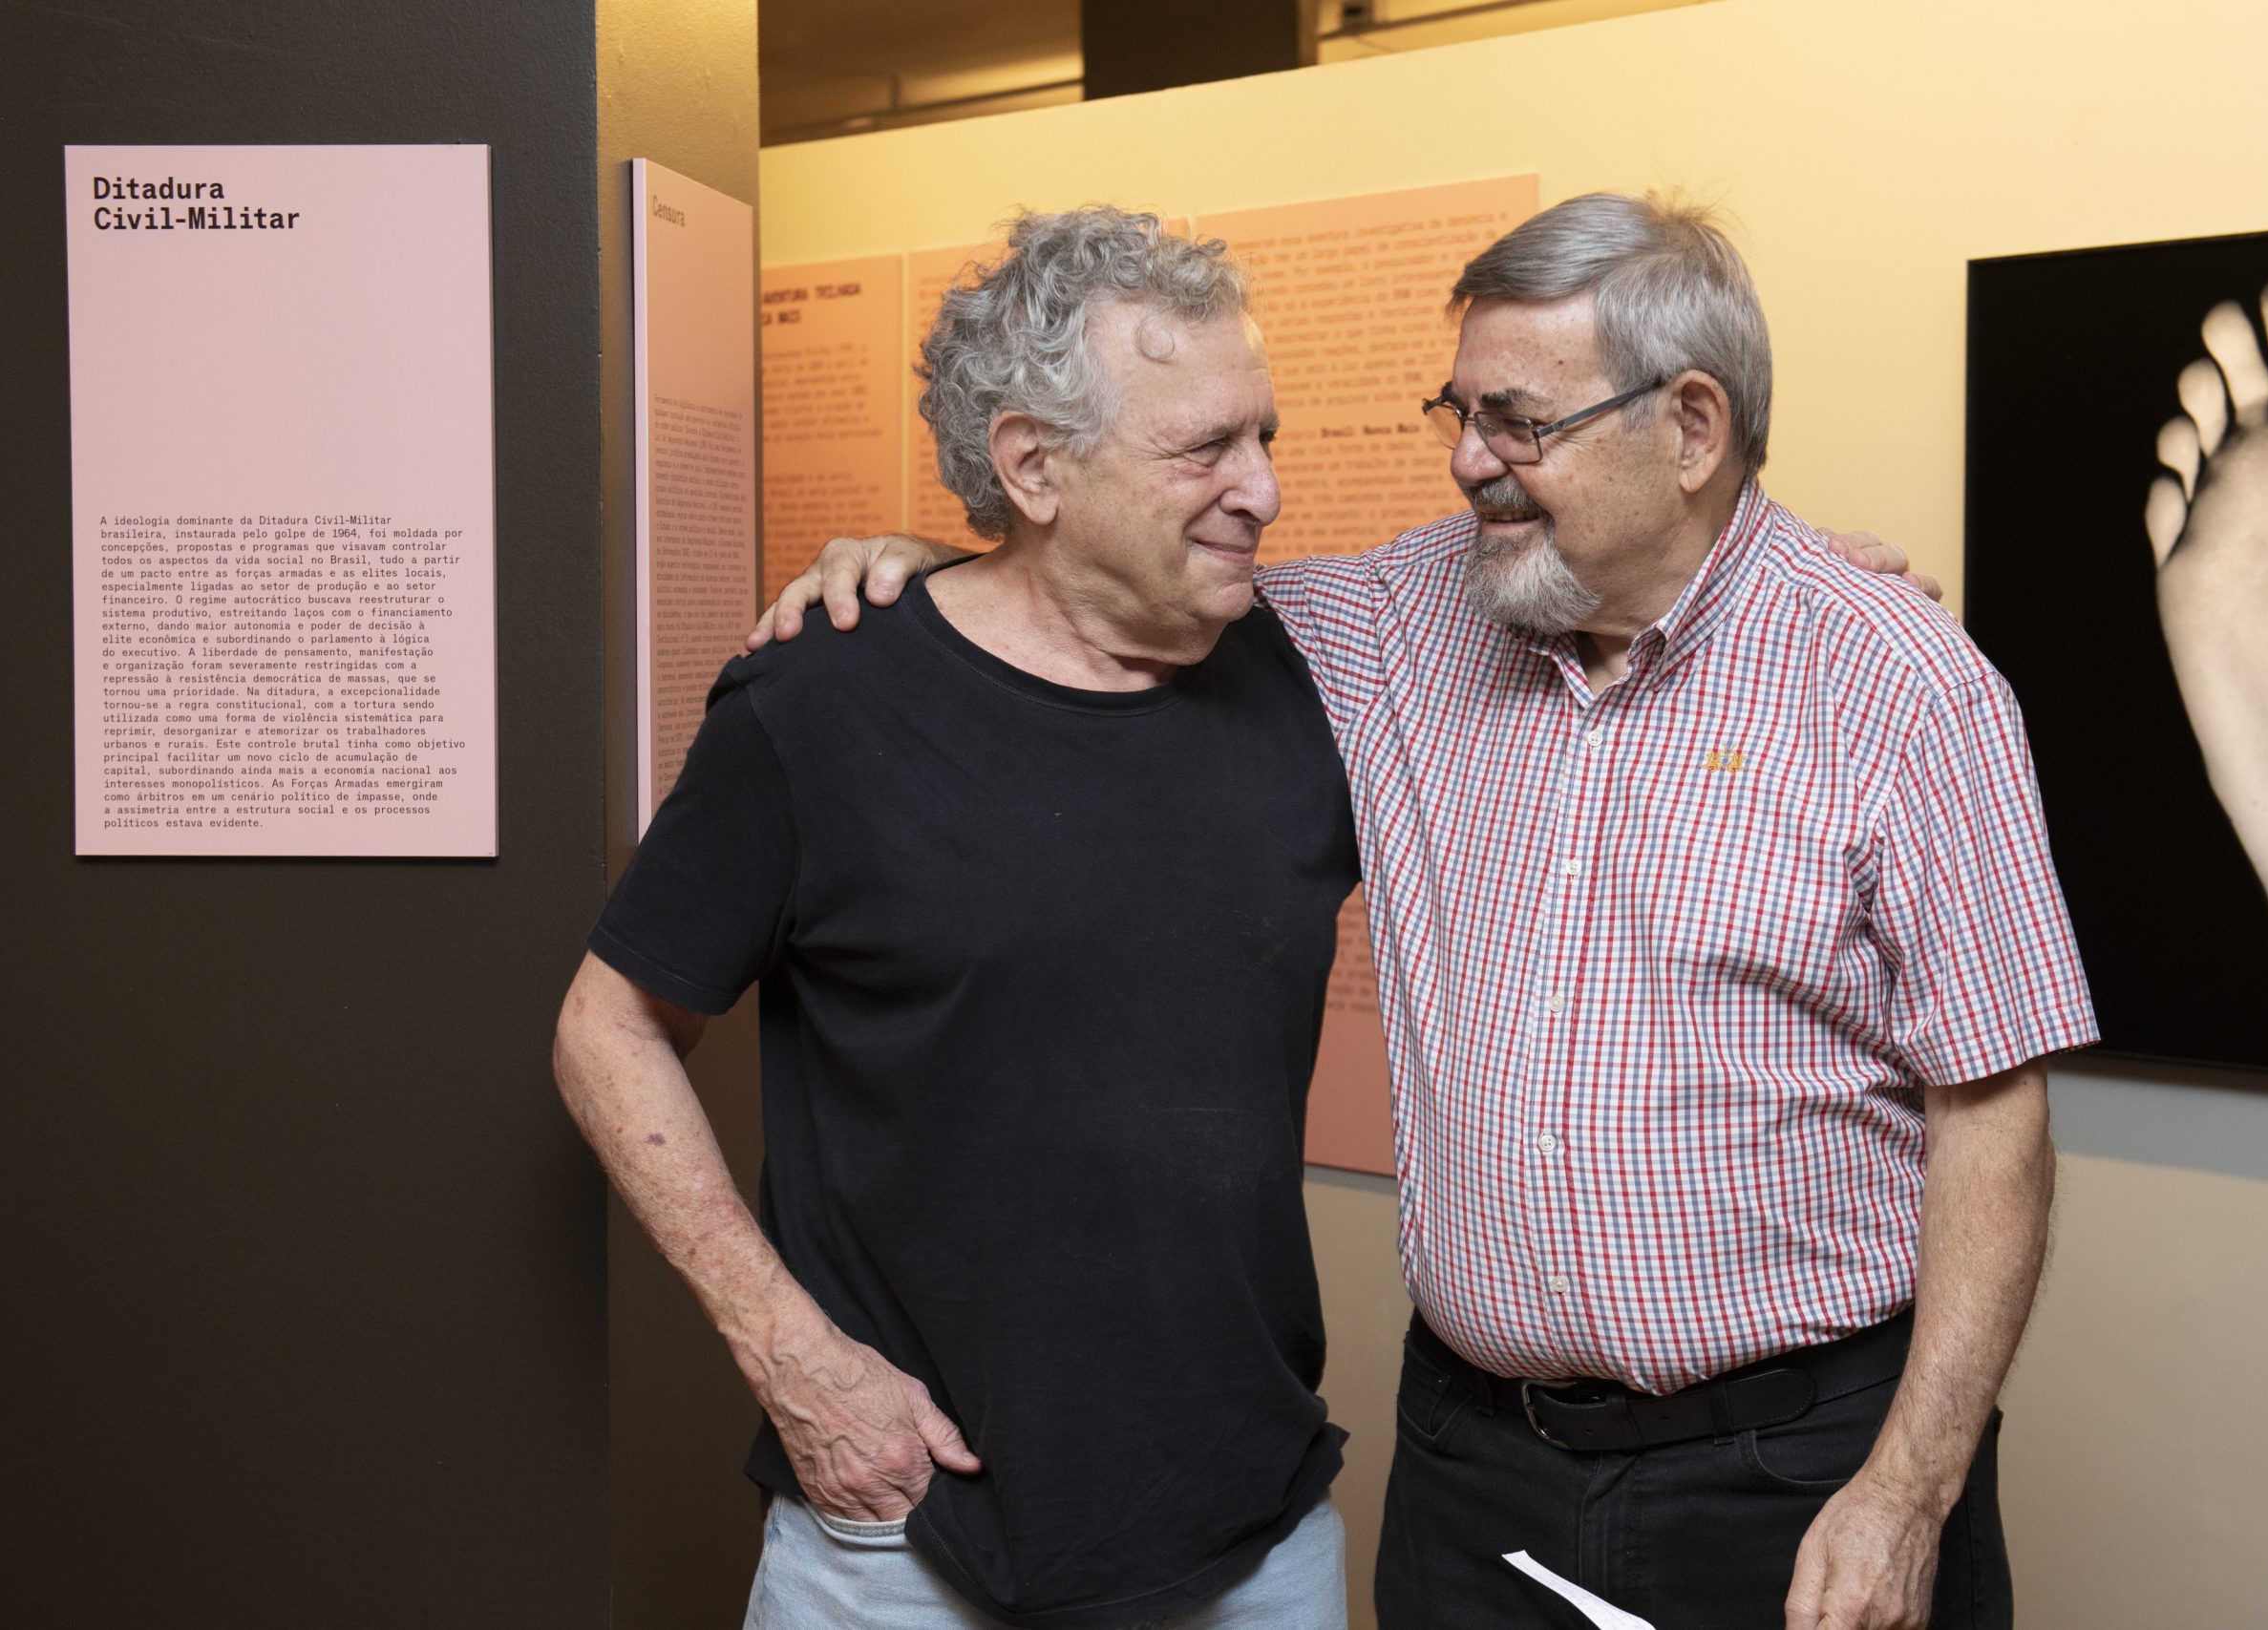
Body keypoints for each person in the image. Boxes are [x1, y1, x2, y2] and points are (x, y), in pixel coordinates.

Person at [763, 192, 2095, 1630]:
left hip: (1798, 1470)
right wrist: (928, 566)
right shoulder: (1396, 624)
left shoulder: (1900, 686)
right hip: (1477, 1471)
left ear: (1693, 428)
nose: (1468, 461)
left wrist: (1908, 1492)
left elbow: (1995, 1124)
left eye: (1519, 422)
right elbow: (1111, 579)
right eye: (1458, 413)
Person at [553, 209, 1362, 1630]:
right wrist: (787, 1352)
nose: (1265, 490)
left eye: (1264, 435)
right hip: (907, 1545)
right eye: (1205, 448)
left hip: (1252, 1533)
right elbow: (605, 1028)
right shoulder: (820, 706)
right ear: (1033, 465)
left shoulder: (1311, 681)